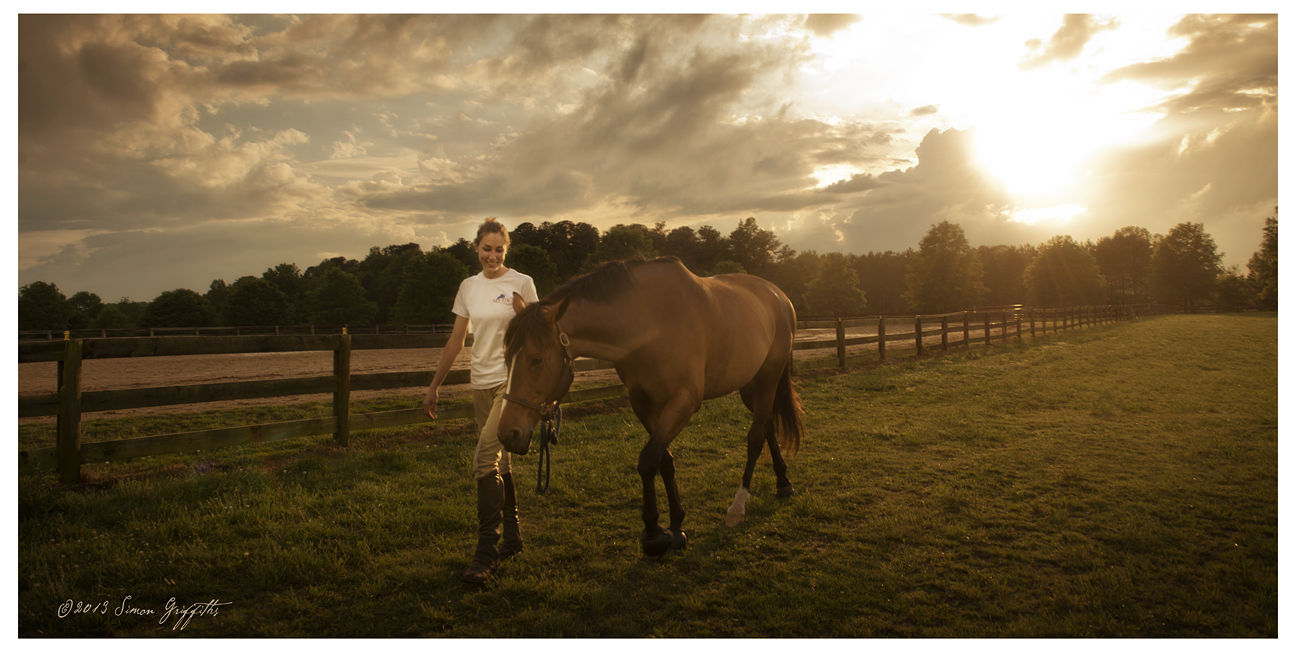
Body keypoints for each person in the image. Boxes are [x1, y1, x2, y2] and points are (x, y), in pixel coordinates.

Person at [423, 218, 539, 584]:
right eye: (486, 249)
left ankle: (486, 553)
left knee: (483, 459)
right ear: (476, 248)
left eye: (498, 249)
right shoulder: (468, 288)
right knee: (500, 463)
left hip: (511, 385)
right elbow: (456, 341)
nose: (492, 255)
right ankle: (514, 535)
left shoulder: (521, 283)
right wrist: (434, 385)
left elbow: (540, 337)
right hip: (480, 382)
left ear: (506, 250)